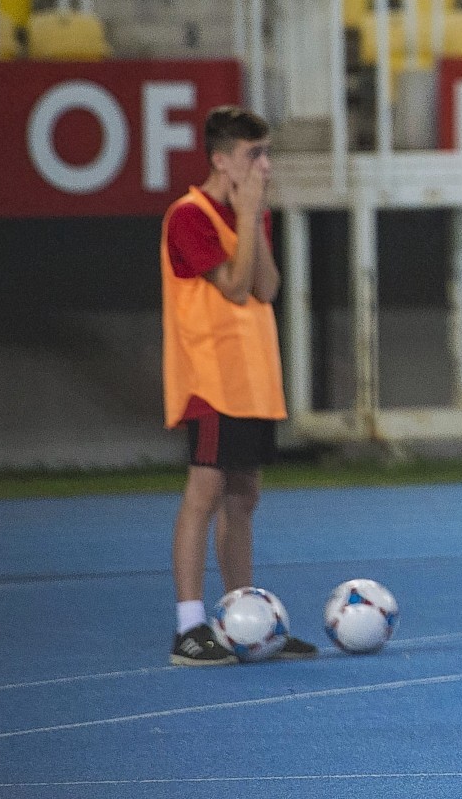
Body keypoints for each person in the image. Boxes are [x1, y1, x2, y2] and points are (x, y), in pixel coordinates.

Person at [160, 105, 316, 666]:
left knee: (243, 495)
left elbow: (266, 287)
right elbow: (230, 287)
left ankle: (245, 620)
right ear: (221, 160)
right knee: (203, 493)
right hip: (210, 376)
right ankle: (188, 626)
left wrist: (253, 219)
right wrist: (247, 220)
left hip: (252, 378)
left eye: (267, 153)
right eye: (255, 155)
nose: (266, 166)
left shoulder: (249, 213)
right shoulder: (189, 216)